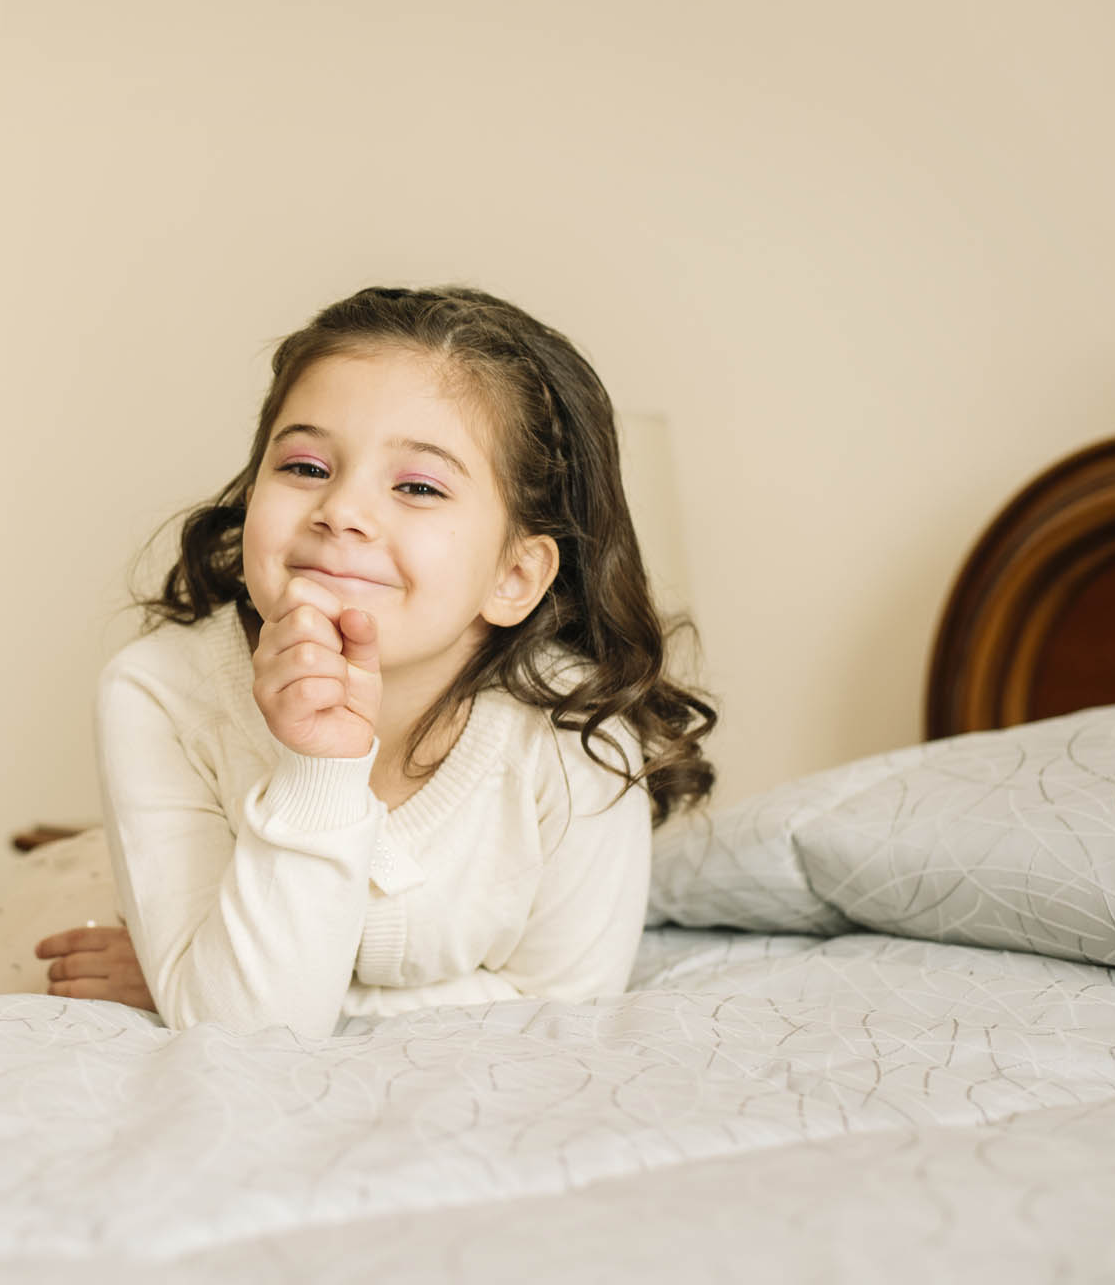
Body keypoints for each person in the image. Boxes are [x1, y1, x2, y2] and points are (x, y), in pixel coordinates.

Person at [35, 285, 715, 1035]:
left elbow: (565, 1012)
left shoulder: (579, 736)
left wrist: (199, 986)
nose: (342, 510)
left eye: (418, 485)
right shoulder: (157, 694)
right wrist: (317, 768)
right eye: (304, 467)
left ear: (513, 575)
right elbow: (242, 1041)